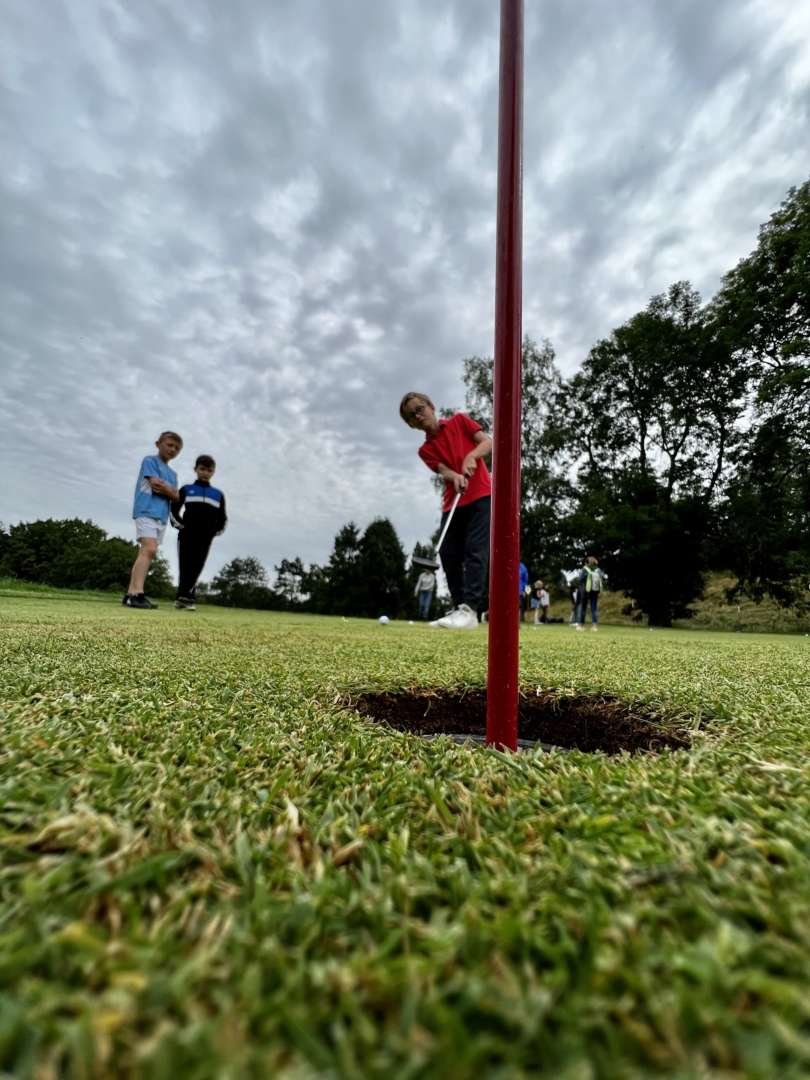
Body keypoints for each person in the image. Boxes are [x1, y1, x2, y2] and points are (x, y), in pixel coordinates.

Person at [400, 392, 492, 629]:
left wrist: (471, 456)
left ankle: (470, 609)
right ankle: (459, 607)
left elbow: (487, 442)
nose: (418, 416)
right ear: (410, 425)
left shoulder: (460, 421)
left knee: (475, 551)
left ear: (431, 406)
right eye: (411, 416)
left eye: (420, 409)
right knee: (448, 553)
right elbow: (443, 471)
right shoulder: (425, 451)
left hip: (481, 494)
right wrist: (455, 475)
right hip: (453, 501)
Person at [124, 431, 182, 609]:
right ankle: (137, 594)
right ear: (158, 444)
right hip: (146, 510)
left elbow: (177, 496)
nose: (172, 449)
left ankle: (130, 594)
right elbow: (155, 486)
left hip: (161, 516)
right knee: (149, 549)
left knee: (147, 552)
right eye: (169, 445)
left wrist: (167, 489)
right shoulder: (150, 461)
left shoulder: (173, 473)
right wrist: (168, 489)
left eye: (176, 448)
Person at [170, 454, 228, 610]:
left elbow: (222, 518)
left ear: (213, 472)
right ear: (196, 469)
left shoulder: (218, 494)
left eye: (209, 470)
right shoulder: (187, 489)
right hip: (187, 533)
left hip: (205, 537)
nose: (205, 472)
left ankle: (187, 598)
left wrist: (213, 532)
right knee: (185, 564)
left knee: (197, 565)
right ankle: (182, 597)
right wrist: (181, 526)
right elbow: (174, 510)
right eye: (202, 469)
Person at [575, 554, 606, 631]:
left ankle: (580, 625)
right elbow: (602, 578)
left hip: (585, 591)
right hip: (595, 591)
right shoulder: (598, 570)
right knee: (594, 608)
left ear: (587, 563)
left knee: (583, 608)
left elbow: (580, 579)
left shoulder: (585, 569)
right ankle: (594, 626)